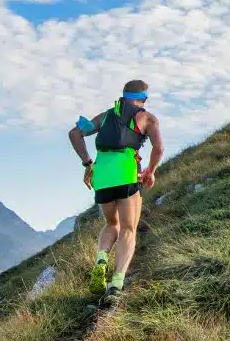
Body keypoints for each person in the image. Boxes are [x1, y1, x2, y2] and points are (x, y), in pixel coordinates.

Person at [68, 79, 164, 298]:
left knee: (112, 224)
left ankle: (102, 259)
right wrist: (150, 170)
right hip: (126, 174)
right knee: (128, 229)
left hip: (101, 177)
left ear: (123, 96)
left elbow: (75, 133)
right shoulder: (148, 118)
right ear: (144, 98)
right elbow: (159, 148)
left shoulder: (105, 116)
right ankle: (116, 284)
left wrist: (87, 163)